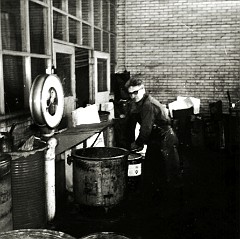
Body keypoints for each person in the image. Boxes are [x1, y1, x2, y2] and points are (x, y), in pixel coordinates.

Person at [124, 77, 181, 206]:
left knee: (169, 170)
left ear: (143, 90)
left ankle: (173, 204)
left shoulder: (147, 105)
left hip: (165, 138)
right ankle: (157, 200)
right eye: (130, 93)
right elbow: (134, 123)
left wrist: (138, 143)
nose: (133, 96)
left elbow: (146, 129)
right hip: (156, 139)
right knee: (153, 168)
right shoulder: (138, 103)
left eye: (135, 92)